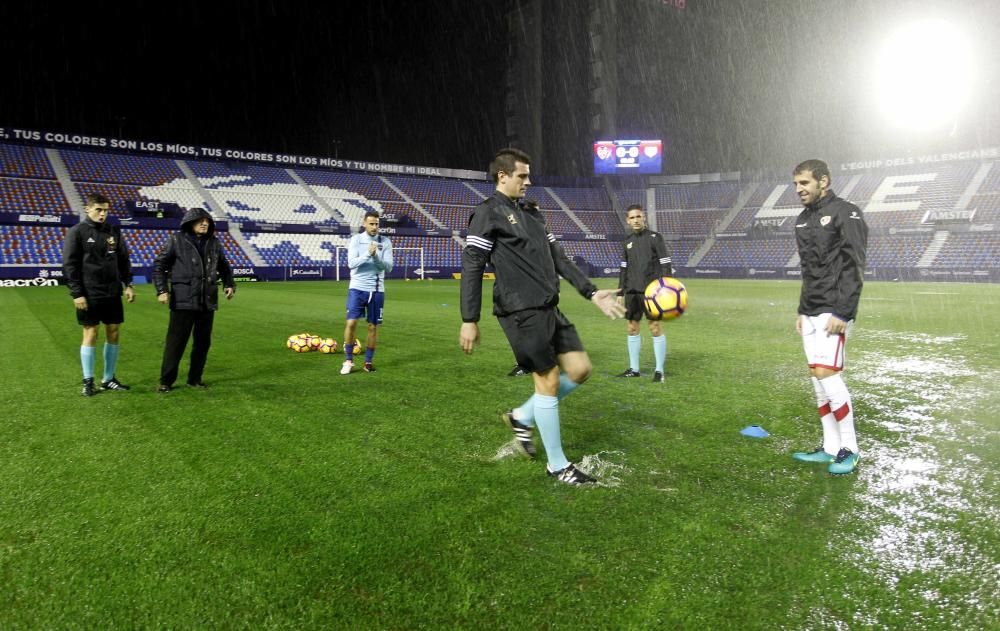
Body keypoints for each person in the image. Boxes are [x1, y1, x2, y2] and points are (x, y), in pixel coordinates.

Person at [459, 148, 624, 485]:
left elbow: (559, 259)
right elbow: (473, 264)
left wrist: (591, 292)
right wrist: (469, 318)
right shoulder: (486, 213)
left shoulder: (532, 214)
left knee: (580, 370)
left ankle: (522, 416)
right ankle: (558, 465)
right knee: (547, 382)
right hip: (520, 310)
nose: (528, 181)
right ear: (502, 175)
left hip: (549, 307)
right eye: (522, 175)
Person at [790, 159, 868, 475]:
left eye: (805, 183)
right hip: (811, 309)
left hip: (834, 309)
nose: (799, 190)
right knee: (817, 379)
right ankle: (829, 447)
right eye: (796, 184)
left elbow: (854, 265)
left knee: (828, 374)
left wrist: (843, 311)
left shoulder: (846, 212)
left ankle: (849, 449)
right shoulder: (801, 220)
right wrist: (801, 309)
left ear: (824, 181)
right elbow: (809, 270)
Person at [152, 207, 236, 392]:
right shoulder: (176, 240)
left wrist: (229, 284)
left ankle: (195, 379)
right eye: (200, 220)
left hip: (207, 301)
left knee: (202, 344)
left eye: (207, 221)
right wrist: (161, 290)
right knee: (175, 343)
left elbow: (224, 266)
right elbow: (159, 266)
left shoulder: (214, 243)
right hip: (183, 301)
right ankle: (166, 381)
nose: (205, 223)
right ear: (190, 222)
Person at [62, 192, 135, 396]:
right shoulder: (77, 232)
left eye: (105, 210)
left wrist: (128, 284)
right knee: (90, 333)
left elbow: (123, 260)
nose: (103, 214)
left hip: (112, 291)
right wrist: (77, 293)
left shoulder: (113, 231)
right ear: (88, 209)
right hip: (89, 292)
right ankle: (88, 381)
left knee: (113, 331)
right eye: (98, 210)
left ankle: (108, 379)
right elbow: (70, 265)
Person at [616, 204, 672, 382]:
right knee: (632, 328)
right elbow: (623, 269)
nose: (636, 220)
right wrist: (620, 292)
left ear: (644, 217)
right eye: (632, 217)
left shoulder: (656, 238)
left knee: (655, 328)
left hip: (652, 292)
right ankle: (634, 369)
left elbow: (665, 264)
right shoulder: (627, 241)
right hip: (632, 292)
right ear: (628, 220)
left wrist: (666, 288)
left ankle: (659, 370)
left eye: (638, 216)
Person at [341, 210, 394, 375]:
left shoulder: (385, 241)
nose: (374, 227)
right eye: (371, 223)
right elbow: (352, 263)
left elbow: (389, 267)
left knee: (372, 327)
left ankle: (368, 362)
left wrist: (376, 257)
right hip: (357, 288)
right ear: (364, 223)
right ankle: (348, 360)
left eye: (377, 224)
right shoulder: (356, 239)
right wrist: (367, 255)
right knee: (351, 323)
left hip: (377, 290)